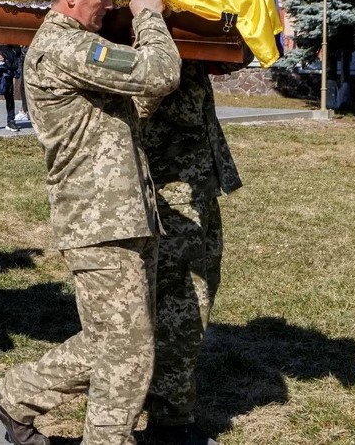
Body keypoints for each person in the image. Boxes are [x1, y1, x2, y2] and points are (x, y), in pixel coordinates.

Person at [0, 0, 180, 445]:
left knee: (115, 343)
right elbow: (160, 74)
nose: (111, 5)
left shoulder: (80, 48)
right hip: (100, 222)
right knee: (128, 353)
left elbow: (140, 99)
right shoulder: (66, 48)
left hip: (123, 215)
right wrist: (150, 17)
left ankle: (13, 396)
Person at [137, 61, 240, 445]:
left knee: (196, 295)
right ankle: (169, 418)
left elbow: (234, 59)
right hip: (173, 194)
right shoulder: (153, 49)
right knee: (182, 303)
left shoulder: (180, 45)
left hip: (196, 186)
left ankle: (168, 407)